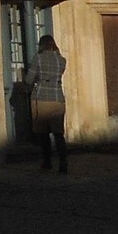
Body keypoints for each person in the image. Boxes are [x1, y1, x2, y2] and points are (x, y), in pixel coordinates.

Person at [25, 32, 67, 173]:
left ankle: (47, 162)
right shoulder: (62, 60)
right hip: (58, 98)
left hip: (42, 97)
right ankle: (63, 163)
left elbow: (29, 80)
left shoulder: (38, 58)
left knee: (43, 133)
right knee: (59, 133)